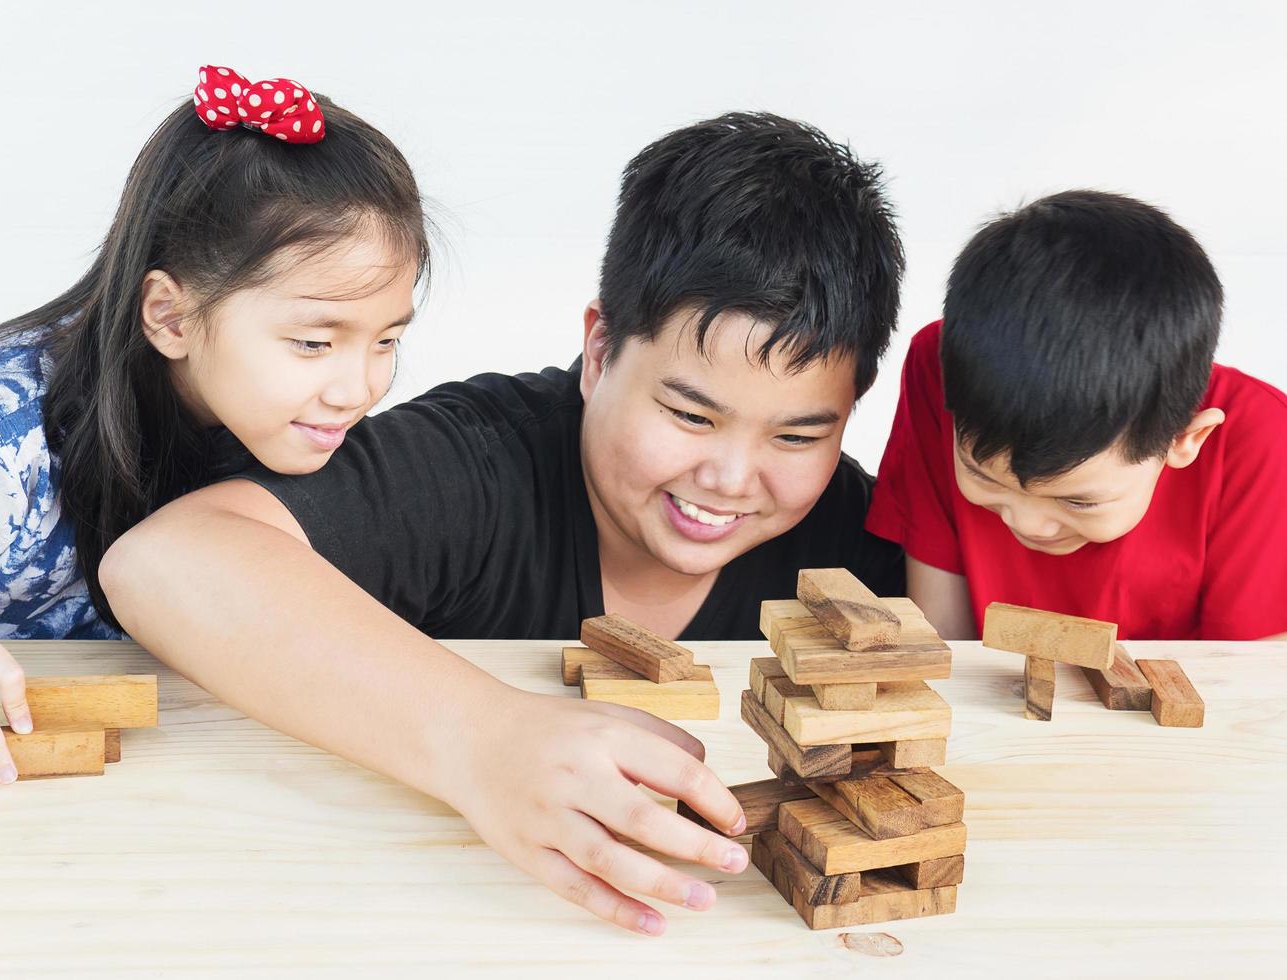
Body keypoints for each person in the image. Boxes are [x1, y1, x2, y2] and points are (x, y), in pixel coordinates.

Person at [100, 112, 907, 935]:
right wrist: (483, 737)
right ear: (598, 354)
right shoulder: (477, 463)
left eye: (799, 435)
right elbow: (165, 562)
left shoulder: (856, 538)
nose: (732, 479)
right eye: (689, 416)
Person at [0, 64, 429, 784]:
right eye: (314, 343)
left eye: (385, 341)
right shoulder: (0, 442)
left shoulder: (286, 440)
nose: (359, 388)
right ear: (171, 315)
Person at [866, 190, 1287, 640]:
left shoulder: (1262, 441)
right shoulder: (943, 367)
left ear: (1184, 440)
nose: (1028, 524)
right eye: (984, 476)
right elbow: (939, 642)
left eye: (1078, 500)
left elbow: (1249, 681)